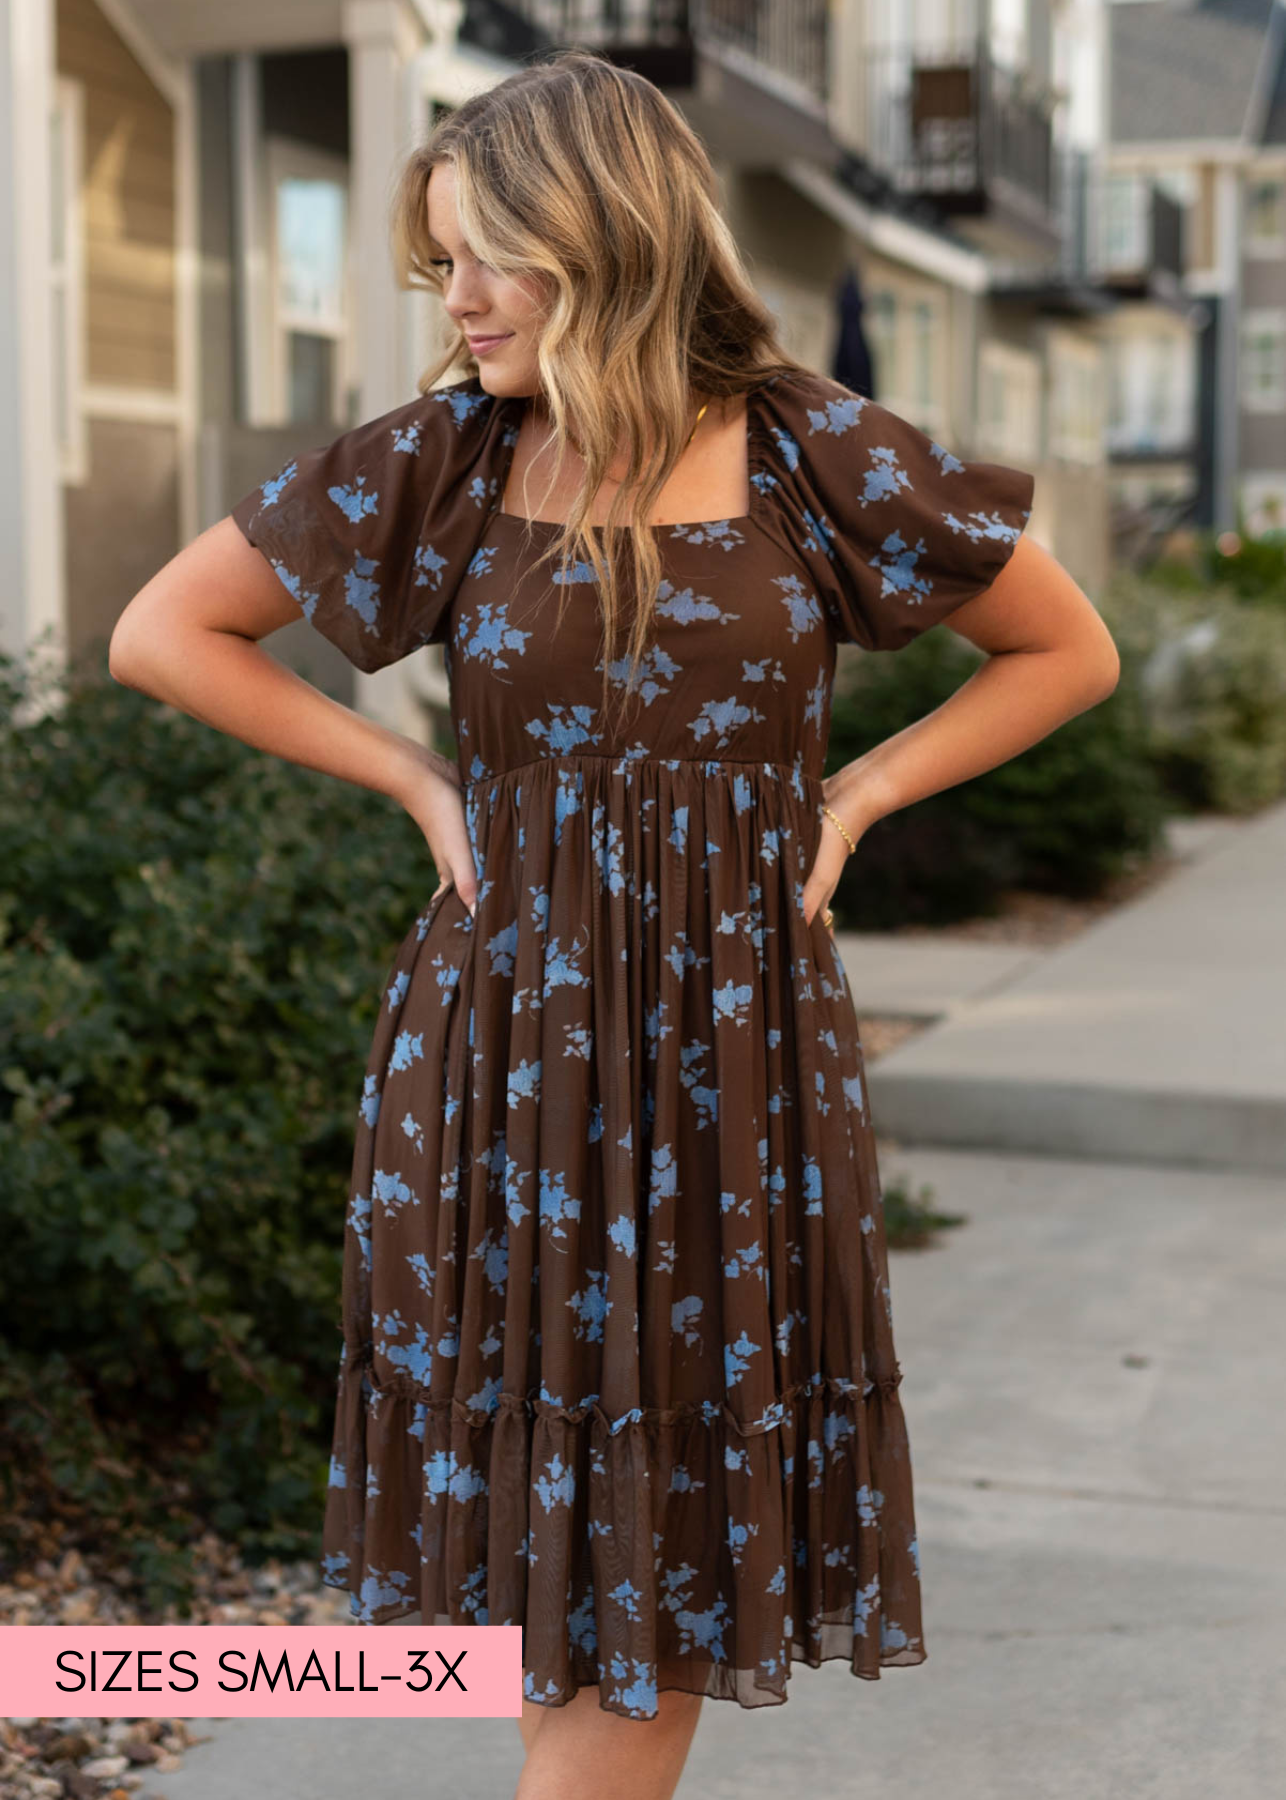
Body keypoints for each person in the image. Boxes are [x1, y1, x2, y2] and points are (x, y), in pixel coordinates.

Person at [108, 47, 1120, 1800]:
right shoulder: (446, 457)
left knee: (655, 1523)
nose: (461, 299)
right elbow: (162, 633)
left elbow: (1066, 650)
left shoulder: (811, 449)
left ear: (609, 233)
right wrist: (418, 786)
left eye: (489, 255)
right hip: (503, 1040)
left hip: (733, 1051)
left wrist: (860, 797)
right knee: (544, 1510)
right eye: (440, 263)